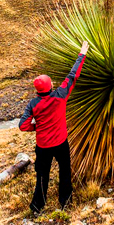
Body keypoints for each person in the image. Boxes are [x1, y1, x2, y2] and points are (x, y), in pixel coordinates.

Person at [19, 40, 89, 214]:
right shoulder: (60, 95)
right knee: (64, 171)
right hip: (60, 143)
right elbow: (72, 76)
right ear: (50, 86)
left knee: (42, 175)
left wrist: (38, 127)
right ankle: (65, 202)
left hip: (43, 146)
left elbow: (23, 125)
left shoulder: (33, 104)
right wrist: (82, 53)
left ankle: (37, 206)